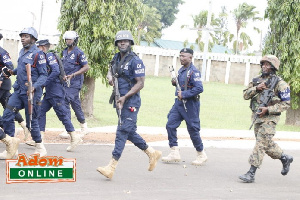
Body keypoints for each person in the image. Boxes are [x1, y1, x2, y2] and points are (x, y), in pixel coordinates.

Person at [97, 30, 161, 179]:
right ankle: (152, 153)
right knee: (128, 131)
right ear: (117, 44)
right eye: (120, 41)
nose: (123, 43)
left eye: (125, 41)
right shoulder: (116, 58)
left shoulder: (135, 61)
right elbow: (110, 71)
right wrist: (109, 77)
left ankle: (111, 167)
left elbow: (141, 83)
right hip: (119, 99)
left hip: (130, 101)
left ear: (130, 43)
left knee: (122, 131)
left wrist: (125, 97)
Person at [239, 55, 293, 183]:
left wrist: (268, 109)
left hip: (270, 119)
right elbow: (245, 95)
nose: (264, 66)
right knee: (265, 144)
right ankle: (284, 157)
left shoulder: (280, 84)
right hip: (257, 117)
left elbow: (286, 104)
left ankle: (251, 173)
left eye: (267, 64)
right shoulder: (257, 80)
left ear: (273, 67)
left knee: (260, 143)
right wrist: (256, 88)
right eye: (263, 64)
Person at [26, 39, 81, 151]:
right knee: (40, 112)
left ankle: (74, 137)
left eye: (39, 47)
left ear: (43, 47)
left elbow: (55, 71)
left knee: (62, 115)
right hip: (49, 93)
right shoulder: (44, 57)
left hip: (56, 92)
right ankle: (39, 138)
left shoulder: (49, 56)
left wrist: (44, 83)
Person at [1, 27, 48, 158]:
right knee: (7, 115)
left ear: (33, 39)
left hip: (32, 93)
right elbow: (21, 68)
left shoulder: (39, 54)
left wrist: (34, 86)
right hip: (19, 91)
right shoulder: (22, 51)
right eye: (22, 36)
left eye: (26, 36)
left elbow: (44, 75)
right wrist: (12, 72)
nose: (22, 38)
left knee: (31, 123)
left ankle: (40, 147)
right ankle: (11, 147)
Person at [161, 48, 207, 166]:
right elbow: (182, 85)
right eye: (180, 56)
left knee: (193, 129)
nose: (181, 58)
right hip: (179, 104)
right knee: (170, 124)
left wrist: (185, 94)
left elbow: (199, 88)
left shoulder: (193, 72)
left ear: (190, 58)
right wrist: (175, 83)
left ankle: (201, 154)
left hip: (191, 104)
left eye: (184, 56)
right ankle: (174, 151)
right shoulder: (182, 70)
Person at [0, 33, 30, 155]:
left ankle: (11, 140)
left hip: (3, 86)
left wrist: (1, 78)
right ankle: (20, 129)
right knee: (9, 111)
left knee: (9, 109)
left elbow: (10, 67)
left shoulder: (2, 52)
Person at [59, 31, 89, 139]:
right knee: (75, 104)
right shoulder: (64, 52)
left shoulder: (79, 53)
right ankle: (84, 127)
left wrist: (73, 74)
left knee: (65, 100)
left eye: (70, 39)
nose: (68, 41)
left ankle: (68, 129)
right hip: (66, 82)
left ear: (75, 40)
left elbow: (86, 67)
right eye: (67, 39)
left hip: (75, 82)